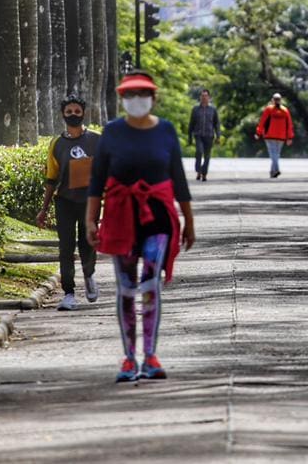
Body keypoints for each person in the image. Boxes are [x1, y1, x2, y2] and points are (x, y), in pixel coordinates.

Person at [86, 70, 196, 383]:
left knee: (150, 283)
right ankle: (128, 358)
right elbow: (97, 180)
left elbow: (178, 177)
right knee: (126, 288)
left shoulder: (166, 131)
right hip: (120, 216)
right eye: (130, 95)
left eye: (142, 94)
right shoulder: (112, 132)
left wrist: (189, 220)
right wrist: (91, 219)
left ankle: (150, 355)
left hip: (158, 217)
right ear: (122, 100)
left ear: (153, 98)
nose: (136, 101)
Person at [38, 95, 101, 311]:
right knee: (65, 248)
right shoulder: (57, 144)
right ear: (62, 115)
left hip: (90, 202)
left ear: (83, 113)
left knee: (88, 244)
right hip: (64, 201)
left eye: (77, 111)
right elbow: (51, 178)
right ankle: (69, 293)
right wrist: (44, 209)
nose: (73, 115)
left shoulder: (96, 140)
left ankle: (89, 275)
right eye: (69, 112)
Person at [255, 92, 295, 178]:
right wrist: (290, 137)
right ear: (280, 100)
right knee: (276, 154)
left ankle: (276, 169)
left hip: (269, 136)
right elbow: (290, 125)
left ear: (273, 100)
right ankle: (273, 172)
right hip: (281, 137)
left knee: (273, 154)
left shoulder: (269, 109)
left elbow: (262, 122)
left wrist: (258, 133)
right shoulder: (285, 110)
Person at [188, 88, 220, 182]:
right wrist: (189, 137)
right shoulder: (195, 109)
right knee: (199, 151)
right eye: (202, 96)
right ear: (200, 97)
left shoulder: (213, 109)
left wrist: (218, 136)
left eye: (206, 96)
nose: (204, 98)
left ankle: (204, 173)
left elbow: (216, 123)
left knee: (207, 156)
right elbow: (191, 123)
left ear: (209, 97)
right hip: (198, 135)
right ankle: (198, 170)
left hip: (209, 135)